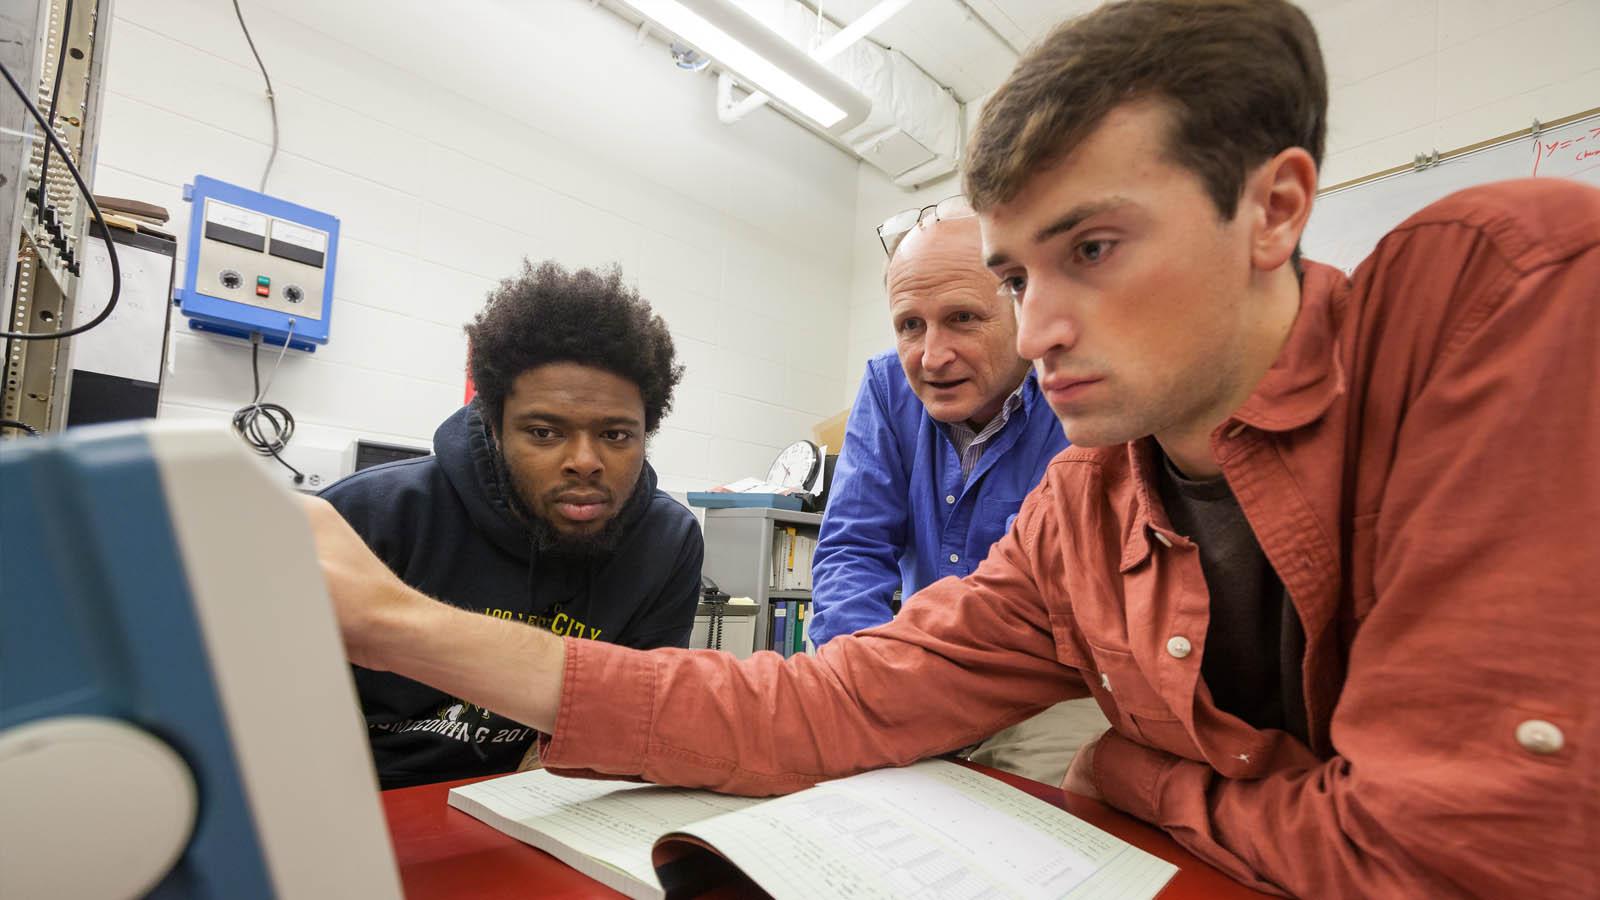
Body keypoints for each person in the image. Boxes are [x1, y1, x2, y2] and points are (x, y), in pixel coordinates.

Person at [302, 1, 1598, 894]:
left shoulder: (1496, 299)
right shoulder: (1081, 514)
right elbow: (814, 703)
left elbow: (1459, 865)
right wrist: (398, 624)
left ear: (1275, 208)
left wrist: (1139, 775)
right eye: (1021, 276)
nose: (1037, 331)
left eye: (1091, 250)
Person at [319, 260, 703, 789]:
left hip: (543, 801)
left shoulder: (668, 542)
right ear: (495, 427)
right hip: (364, 799)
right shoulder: (368, 517)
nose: (585, 461)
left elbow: (634, 719)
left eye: (616, 435)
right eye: (545, 433)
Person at [812, 210, 1104, 784]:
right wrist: (862, 679)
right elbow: (853, 548)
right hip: (917, 667)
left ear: (1023, 306)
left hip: (1047, 685)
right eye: (910, 326)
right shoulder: (886, 388)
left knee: (1032, 802)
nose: (931, 356)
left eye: (963, 318)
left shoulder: (1080, 395)